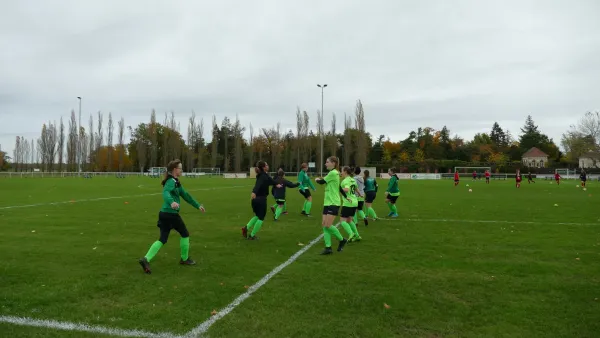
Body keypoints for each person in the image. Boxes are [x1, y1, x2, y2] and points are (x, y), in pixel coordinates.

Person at [139, 159, 205, 274]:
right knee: (185, 234)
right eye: (180, 168)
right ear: (175, 170)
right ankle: (184, 259)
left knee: (162, 239)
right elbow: (165, 193)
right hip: (171, 214)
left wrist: (197, 205)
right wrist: (171, 202)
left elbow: (186, 195)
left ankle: (146, 259)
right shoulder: (171, 182)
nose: (182, 170)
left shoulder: (175, 182)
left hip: (164, 214)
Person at [315, 156, 348, 255]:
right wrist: (346, 197)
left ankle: (342, 240)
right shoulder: (334, 173)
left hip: (333, 202)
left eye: (327, 162)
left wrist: (316, 179)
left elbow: (321, 182)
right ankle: (328, 248)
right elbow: (338, 187)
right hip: (327, 202)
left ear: (333, 163)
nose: (325, 164)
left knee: (328, 225)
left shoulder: (333, 173)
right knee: (324, 225)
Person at [242, 161, 282, 240]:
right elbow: (258, 184)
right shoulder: (263, 176)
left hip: (255, 200)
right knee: (261, 218)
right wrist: (254, 191)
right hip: (260, 199)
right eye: (266, 165)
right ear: (264, 167)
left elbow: (271, 181)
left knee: (257, 216)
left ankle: (246, 228)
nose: (268, 166)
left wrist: (276, 184)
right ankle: (252, 235)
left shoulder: (263, 175)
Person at [340, 166, 361, 241]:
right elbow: (356, 188)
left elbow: (346, 189)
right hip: (355, 202)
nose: (341, 173)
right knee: (349, 220)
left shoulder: (345, 181)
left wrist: (338, 188)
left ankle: (351, 233)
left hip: (348, 203)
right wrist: (360, 194)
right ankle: (357, 235)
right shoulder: (353, 179)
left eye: (341, 171)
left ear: (345, 171)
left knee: (342, 221)